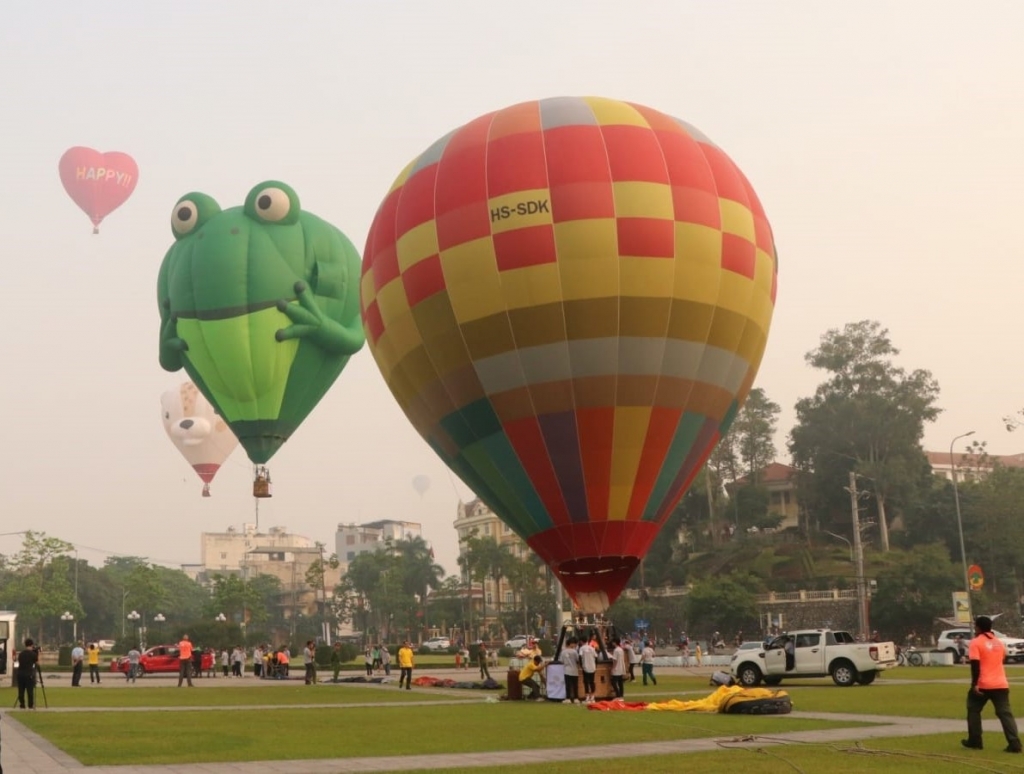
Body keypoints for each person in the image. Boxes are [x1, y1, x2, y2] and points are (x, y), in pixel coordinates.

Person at [963, 615, 1022, 753]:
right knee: (1005, 713)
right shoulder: (999, 643)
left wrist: (974, 684)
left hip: (983, 684)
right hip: (1001, 684)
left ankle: (975, 741)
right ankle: (1015, 743)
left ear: (978, 627)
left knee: (973, 709)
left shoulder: (976, 642)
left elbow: (975, 666)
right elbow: (1002, 658)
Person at [16, 638, 38, 709]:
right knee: (30, 690)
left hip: (20, 674)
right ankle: (30, 704)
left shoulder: (21, 654)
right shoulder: (33, 654)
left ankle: (22, 704)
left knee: (21, 690)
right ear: (31, 645)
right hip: (29, 674)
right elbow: (37, 663)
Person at [560, 637, 580, 704]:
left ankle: (568, 698)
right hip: (574, 670)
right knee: (575, 685)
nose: (574, 645)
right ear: (571, 644)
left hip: (567, 670)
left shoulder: (563, 652)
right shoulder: (574, 652)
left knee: (568, 685)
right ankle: (576, 698)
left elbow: (561, 661)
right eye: (574, 644)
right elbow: (578, 660)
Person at [579, 635, 598, 704]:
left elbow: (580, 657)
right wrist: (595, 665)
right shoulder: (592, 648)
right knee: (592, 681)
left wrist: (581, 666)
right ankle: (592, 697)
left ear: (581, 641)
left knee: (586, 682)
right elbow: (596, 657)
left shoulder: (582, 648)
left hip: (585, 667)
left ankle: (587, 697)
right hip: (592, 667)